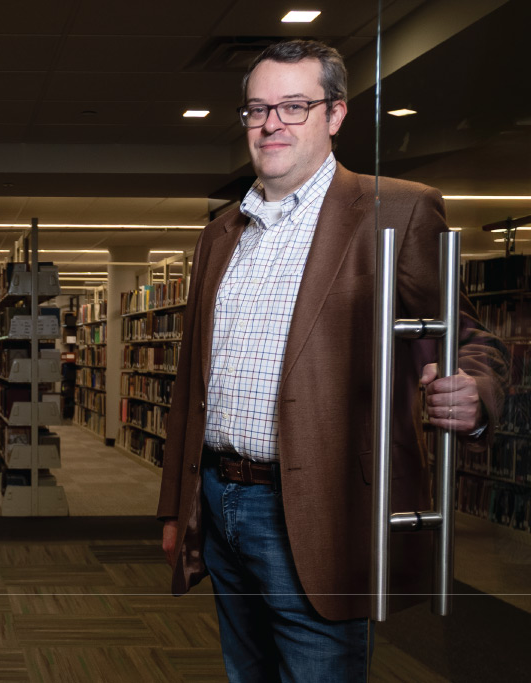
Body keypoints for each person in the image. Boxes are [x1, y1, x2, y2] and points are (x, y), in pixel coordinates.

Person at [156, 40, 508, 682]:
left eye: (294, 106)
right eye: (258, 109)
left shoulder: (396, 209)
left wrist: (476, 389)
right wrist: (177, 509)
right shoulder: (220, 232)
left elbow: (468, 335)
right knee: (247, 673)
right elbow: (191, 382)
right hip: (218, 496)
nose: (272, 124)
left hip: (317, 507)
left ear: (336, 115)